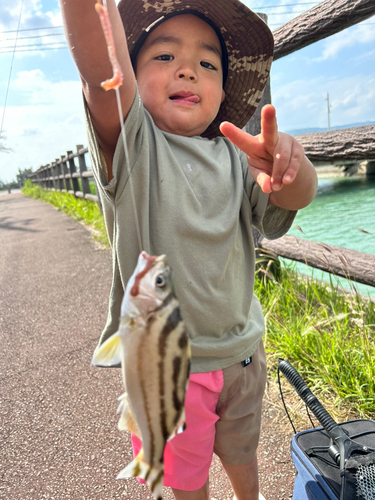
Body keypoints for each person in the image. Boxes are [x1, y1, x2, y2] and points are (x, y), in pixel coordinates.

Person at [60, 0, 318, 499]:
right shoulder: (135, 147)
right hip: (168, 372)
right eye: (163, 57)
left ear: (223, 90)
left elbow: (291, 200)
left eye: (208, 64)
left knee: (243, 451)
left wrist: (293, 168)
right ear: (130, 77)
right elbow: (100, 71)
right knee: (187, 479)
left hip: (244, 351)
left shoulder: (238, 157)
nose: (187, 69)